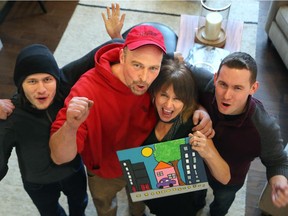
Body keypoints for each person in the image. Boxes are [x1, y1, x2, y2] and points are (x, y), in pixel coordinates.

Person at [186, 52, 288, 215]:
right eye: (223, 84)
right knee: (195, 195)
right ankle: (197, 204)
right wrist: (199, 106)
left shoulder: (264, 127)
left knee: (222, 203)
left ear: (253, 88)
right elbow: (180, 67)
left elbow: (278, 161)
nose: (226, 95)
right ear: (215, 79)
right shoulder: (205, 84)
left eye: (238, 88)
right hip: (197, 163)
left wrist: (279, 181)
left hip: (230, 179)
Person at [0, 44, 88, 216]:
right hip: (38, 183)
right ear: (21, 85)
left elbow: (97, 56)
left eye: (47, 79)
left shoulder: (65, 88)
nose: (41, 89)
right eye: (32, 81)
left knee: (80, 204)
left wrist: (116, 37)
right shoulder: (12, 117)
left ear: (57, 78)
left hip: (73, 169)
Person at [141, 58, 230, 216]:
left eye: (177, 99)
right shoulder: (145, 113)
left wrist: (208, 152)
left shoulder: (194, 126)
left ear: (186, 101)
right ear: (154, 92)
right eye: (164, 95)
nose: (168, 105)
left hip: (183, 201)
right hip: (153, 191)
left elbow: (225, 178)